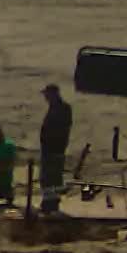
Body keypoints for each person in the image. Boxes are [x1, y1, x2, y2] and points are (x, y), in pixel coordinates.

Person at [39, 84, 73, 213]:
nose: (46, 97)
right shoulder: (55, 108)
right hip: (50, 148)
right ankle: (50, 202)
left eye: (47, 95)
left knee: (51, 177)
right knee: (49, 177)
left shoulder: (63, 109)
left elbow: (62, 130)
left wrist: (57, 147)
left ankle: (51, 203)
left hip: (54, 149)